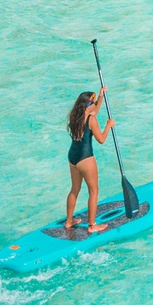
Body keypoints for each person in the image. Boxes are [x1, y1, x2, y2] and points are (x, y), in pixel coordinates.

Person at [64, 87, 116, 234]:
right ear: (88, 106)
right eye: (93, 102)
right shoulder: (91, 119)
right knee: (93, 191)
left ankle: (69, 221)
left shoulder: (75, 117)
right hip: (85, 158)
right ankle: (92, 225)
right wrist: (108, 126)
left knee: (74, 190)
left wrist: (100, 97)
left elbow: (94, 111)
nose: (95, 105)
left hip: (73, 157)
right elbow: (101, 139)